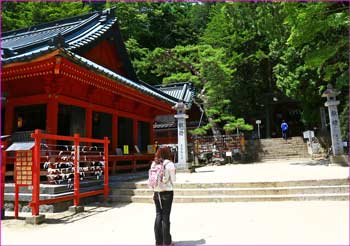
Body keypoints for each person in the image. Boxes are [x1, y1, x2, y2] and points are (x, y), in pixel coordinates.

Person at [151, 146, 176, 246]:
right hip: (167, 192)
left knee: (158, 215)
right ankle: (167, 241)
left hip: (156, 192)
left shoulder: (154, 163)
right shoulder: (170, 164)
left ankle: (158, 241)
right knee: (166, 216)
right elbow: (173, 179)